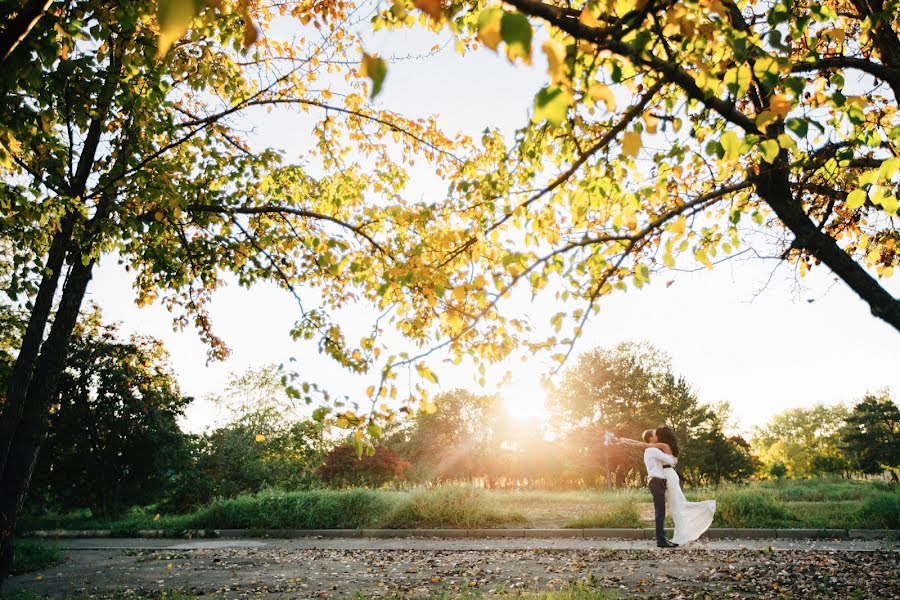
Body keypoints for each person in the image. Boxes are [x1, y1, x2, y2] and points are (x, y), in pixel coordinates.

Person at [613, 427, 716, 547]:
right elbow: (665, 457)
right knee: (672, 508)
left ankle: (672, 538)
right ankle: (668, 539)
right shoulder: (655, 449)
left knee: (676, 506)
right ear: (651, 438)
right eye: (654, 434)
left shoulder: (659, 447)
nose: (655, 436)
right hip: (662, 478)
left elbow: (646, 447)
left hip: (667, 477)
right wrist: (623, 440)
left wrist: (623, 441)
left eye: (656, 434)